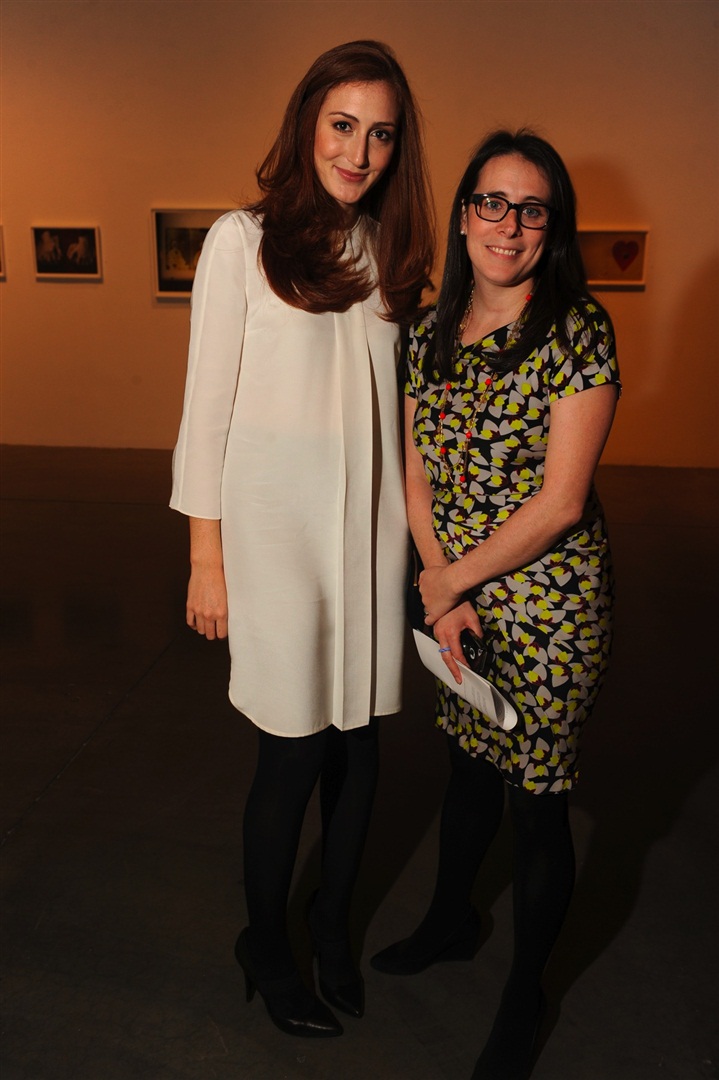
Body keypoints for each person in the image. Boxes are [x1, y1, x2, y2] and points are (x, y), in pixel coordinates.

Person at [170, 40, 433, 1039]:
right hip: (274, 549)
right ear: (306, 122)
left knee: (358, 752)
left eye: (378, 134)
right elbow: (206, 411)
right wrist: (208, 560)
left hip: (364, 547)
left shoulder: (382, 253)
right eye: (341, 125)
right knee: (290, 752)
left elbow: (393, 421)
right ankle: (265, 944)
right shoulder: (240, 242)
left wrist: (420, 560)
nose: (358, 151)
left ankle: (330, 929)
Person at [370, 130, 620, 1080]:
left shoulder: (576, 329)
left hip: (549, 609)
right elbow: (417, 475)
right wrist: (440, 589)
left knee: (537, 804)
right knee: (468, 768)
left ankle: (525, 993)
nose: (508, 225)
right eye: (491, 202)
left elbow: (561, 501)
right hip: (459, 605)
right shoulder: (427, 330)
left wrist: (445, 583)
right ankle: (449, 921)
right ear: (465, 212)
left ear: (551, 226)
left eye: (531, 208)